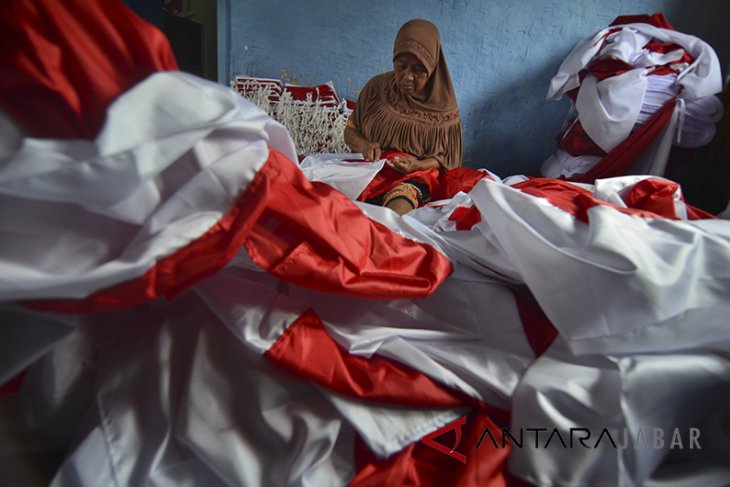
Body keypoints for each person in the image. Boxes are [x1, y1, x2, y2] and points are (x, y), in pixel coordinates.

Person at [344, 19, 462, 215]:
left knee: (391, 219)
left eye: (418, 70)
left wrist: (418, 164)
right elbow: (350, 131)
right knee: (327, 206)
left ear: (432, 69)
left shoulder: (444, 109)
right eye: (401, 66)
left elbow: (447, 160)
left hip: (413, 177)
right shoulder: (376, 88)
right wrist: (364, 145)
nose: (407, 77)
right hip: (369, 170)